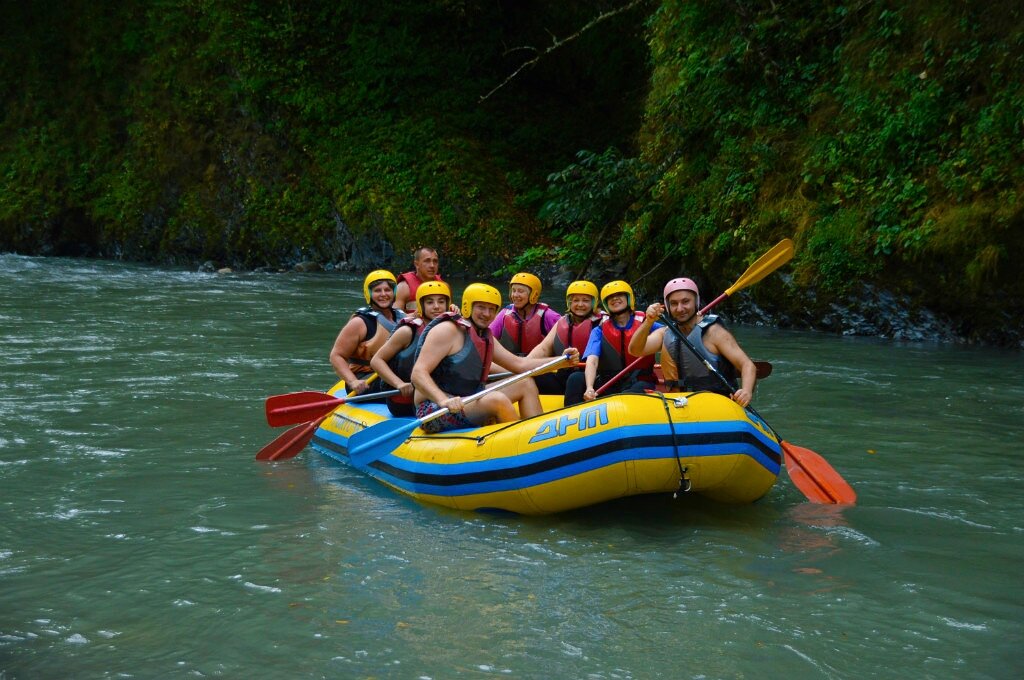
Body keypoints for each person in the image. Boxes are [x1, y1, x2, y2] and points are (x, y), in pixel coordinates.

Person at [411, 283, 579, 433]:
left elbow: (520, 365)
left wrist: (563, 361)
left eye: (492, 309)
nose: (487, 314)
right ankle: (521, 444)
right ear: (468, 306)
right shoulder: (448, 330)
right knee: (496, 399)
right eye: (481, 307)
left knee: (525, 383)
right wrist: (443, 400)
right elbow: (418, 374)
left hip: (468, 398)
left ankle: (539, 436)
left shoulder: (485, 335)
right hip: (434, 409)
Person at [628, 277, 756, 407]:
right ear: (667, 307)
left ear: (696, 302)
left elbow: (747, 365)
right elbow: (635, 350)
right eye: (673, 303)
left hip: (717, 405)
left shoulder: (714, 332)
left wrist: (746, 391)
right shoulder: (665, 333)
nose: (680, 308)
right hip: (679, 405)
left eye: (685, 301)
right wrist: (648, 321)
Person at [563, 280, 657, 406]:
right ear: (606, 304)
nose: (615, 299)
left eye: (620, 295)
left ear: (629, 299)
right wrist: (590, 387)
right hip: (609, 382)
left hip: (640, 381)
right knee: (576, 378)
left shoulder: (648, 322)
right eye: (610, 297)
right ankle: (570, 417)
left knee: (632, 392)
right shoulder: (599, 330)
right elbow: (592, 360)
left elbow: (668, 338)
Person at [370, 280, 452, 416]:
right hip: (404, 400)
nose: (436, 307)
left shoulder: (452, 330)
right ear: (421, 305)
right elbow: (376, 360)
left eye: (441, 302)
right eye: (430, 302)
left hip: (439, 393)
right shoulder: (408, 332)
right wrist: (399, 384)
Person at [329, 270, 405, 394]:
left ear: (394, 292)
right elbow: (336, 356)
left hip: (393, 375)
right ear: (369, 293)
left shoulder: (402, 317)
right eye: (377, 290)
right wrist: (353, 381)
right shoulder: (359, 322)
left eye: (387, 290)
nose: (383, 294)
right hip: (366, 379)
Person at [526, 280, 605, 395]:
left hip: (591, 378)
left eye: (586, 301)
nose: (580, 304)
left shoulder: (603, 322)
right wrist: (523, 366)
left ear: (594, 302)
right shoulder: (563, 321)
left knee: (575, 379)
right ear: (569, 303)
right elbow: (543, 349)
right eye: (575, 300)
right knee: (537, 376)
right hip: (564, 375)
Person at [488, 272, 562, 357]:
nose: (515, 295)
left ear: (533, 295)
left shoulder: (548, 315)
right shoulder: (504, 314)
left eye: (520, 291)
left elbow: (565, 339)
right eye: (513, 290)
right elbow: (488, 338)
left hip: (539, 365)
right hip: (510, 364)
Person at [394, 246, 443, 313]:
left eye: (435, 261)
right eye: (427, 261)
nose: (432, 265)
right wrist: (413, 316)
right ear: (416, 264)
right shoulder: (404, 287)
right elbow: (395, 317)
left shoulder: (442, 285)